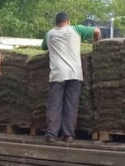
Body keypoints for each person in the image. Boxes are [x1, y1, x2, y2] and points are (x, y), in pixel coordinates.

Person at [41, 12, 101, 143]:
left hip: (57, 74)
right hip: (74, 74)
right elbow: (97, 30)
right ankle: (68, 135)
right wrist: (96, 44)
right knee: (71, 105)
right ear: (68, 21)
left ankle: (51, 135)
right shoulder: (76, 29)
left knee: (54, 105)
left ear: (56, 22)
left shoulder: (49, 34)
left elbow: (44, 47)